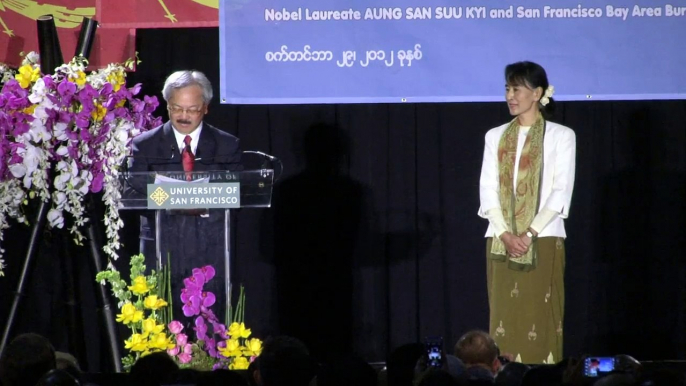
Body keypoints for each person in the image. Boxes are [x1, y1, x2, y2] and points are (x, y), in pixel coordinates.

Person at [478, 61, 576, 364]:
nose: (510, 95)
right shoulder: (495, 136)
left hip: (544, 237)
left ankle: (542, 374)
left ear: (537, 93)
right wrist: (506, 233)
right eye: (507, 88)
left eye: (517, 88)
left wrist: (529, 233)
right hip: (500, 240)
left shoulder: (561, 135)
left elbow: (561, 190)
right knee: (504, 317)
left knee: (541, 314)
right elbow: (487, 188)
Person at [127, 70, 242, 323]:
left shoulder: (226, 145)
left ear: (205, 108)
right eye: (177, 108)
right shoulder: (144, 145)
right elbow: (132, 192)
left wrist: (190, 197)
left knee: (210, 323)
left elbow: (237, 192)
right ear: (167, 105)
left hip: (211, 247)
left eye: (192, 110)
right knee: (161, 321)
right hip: (161, 246)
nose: (184, 116)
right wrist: (174, 198)